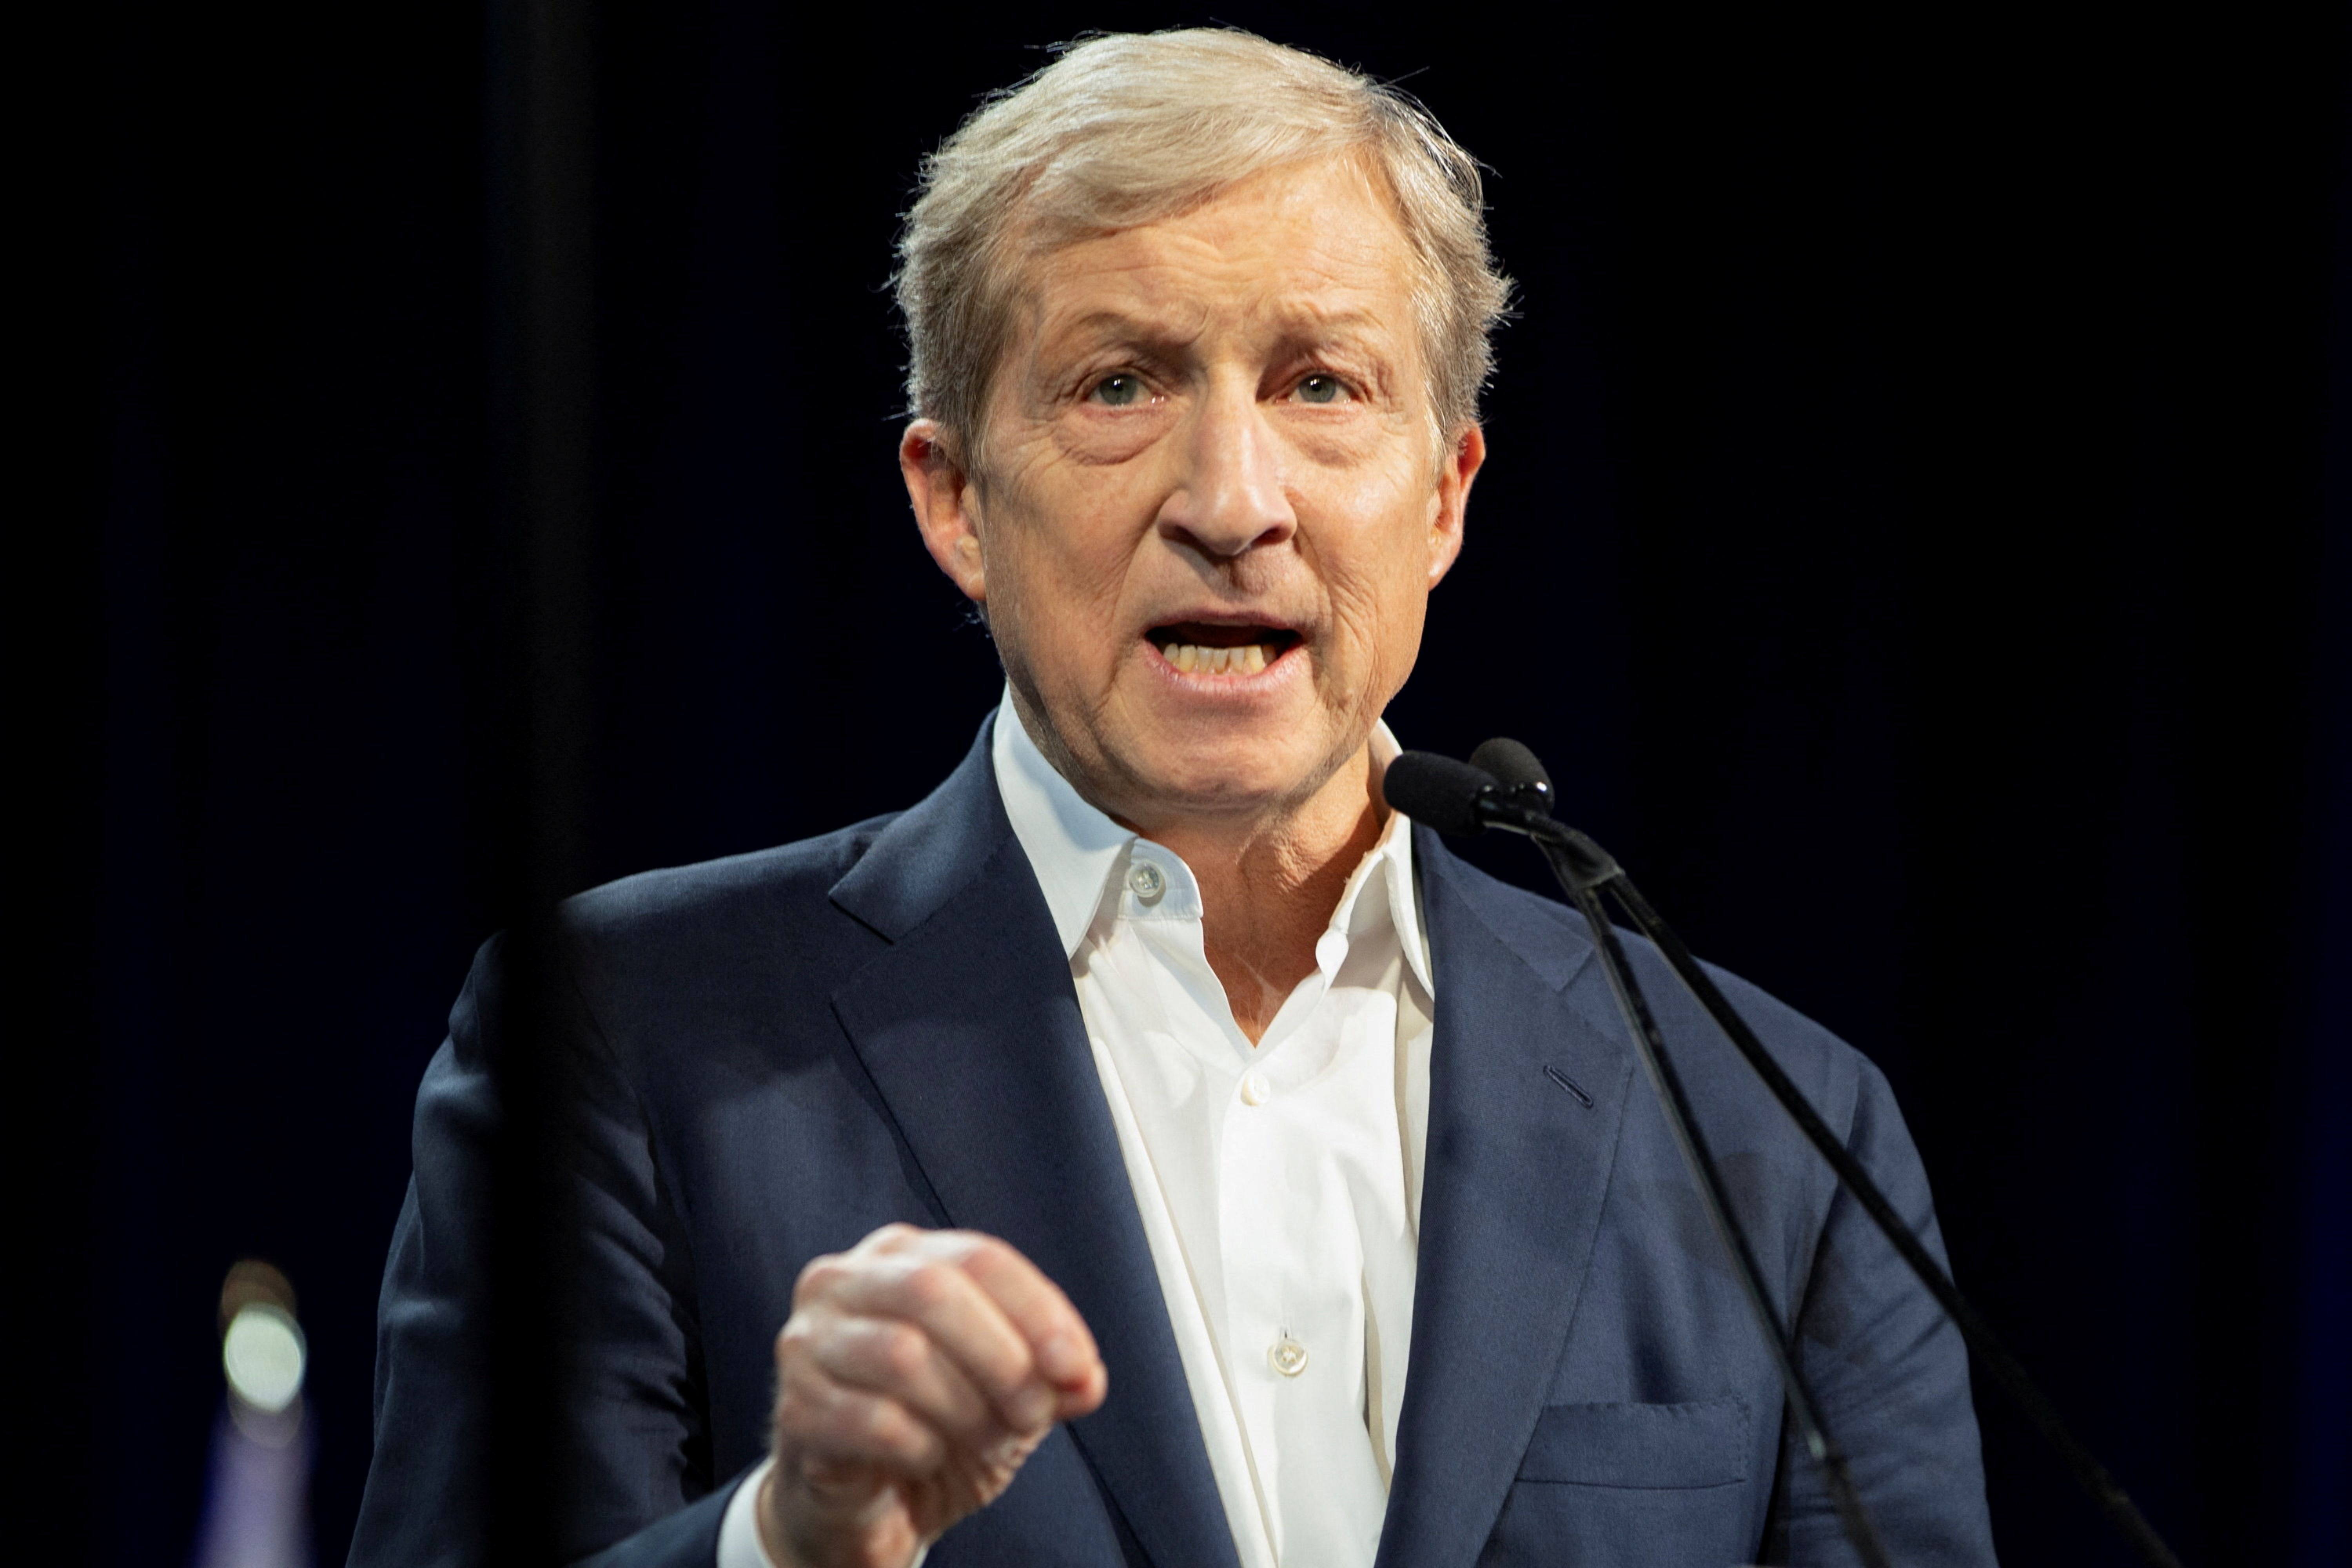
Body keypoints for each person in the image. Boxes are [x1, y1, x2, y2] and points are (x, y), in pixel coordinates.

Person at [349, 28, 1994, 1568]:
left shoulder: (1770, 1126)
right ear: (955, 504)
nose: (1231, 501)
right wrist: (790, 1535)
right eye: (1121, 385)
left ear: (1444, 495)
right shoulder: (629, 1043)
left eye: (1321, 385)